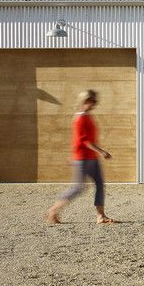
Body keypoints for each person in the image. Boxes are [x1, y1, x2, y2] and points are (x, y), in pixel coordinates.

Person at [47, 89, 117, 224]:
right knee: (78, 187)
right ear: (86, 101)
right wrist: (101, 152)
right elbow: (84, 140)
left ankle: (101, 216)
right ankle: (53, 210)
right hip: (82, 159)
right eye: (93, 101)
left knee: (100, 185)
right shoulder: (79, 118)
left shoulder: (88, 116)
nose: (95, 103)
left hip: (91, 158)